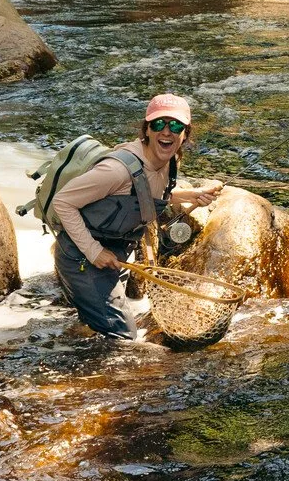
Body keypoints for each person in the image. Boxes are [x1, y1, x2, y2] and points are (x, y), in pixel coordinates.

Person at [52, 93, 223, 340]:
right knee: (122, 337)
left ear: (185, 133)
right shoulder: (117, 170)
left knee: (99, 324)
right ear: (147, 130)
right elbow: (63, 202)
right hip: (81, 255)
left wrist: (190, 195)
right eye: (158, 124)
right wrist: (94, 252)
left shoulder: (169, 160)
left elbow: (143, 193)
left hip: (117, 250)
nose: (167, 132)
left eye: (175, 126)